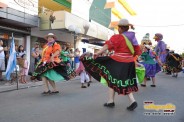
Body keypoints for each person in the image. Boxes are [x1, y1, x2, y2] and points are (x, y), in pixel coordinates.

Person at [80, 19, 142, 111]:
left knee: (116, 80)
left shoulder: (117, 37)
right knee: (117, 80)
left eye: (118, 28)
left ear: (120, 28)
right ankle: (112, 101)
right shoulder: (133, 38)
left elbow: (107, 46)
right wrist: (133, 60)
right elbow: (137, 51)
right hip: (129, 62)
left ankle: (129, 101)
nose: (118, 29)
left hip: (118, 61)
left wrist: (98, 53)